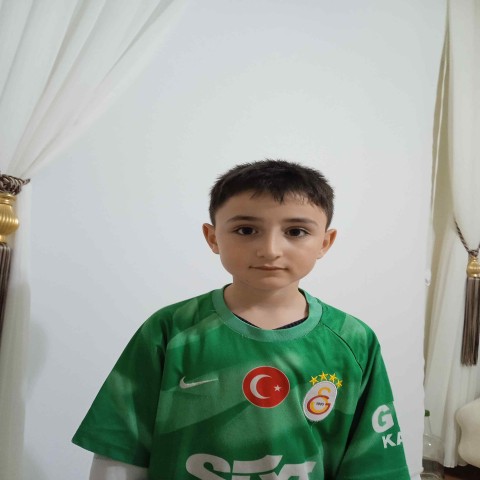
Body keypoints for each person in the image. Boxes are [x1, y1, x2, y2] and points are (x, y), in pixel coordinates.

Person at [72, 159, 410, 480]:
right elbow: (121, 450)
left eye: (296, 231)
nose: (270, 249)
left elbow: (373, 464)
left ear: (325, 241)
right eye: (246, 230)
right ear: (212, 237)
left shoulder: (353, 339)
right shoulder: (170, 330)